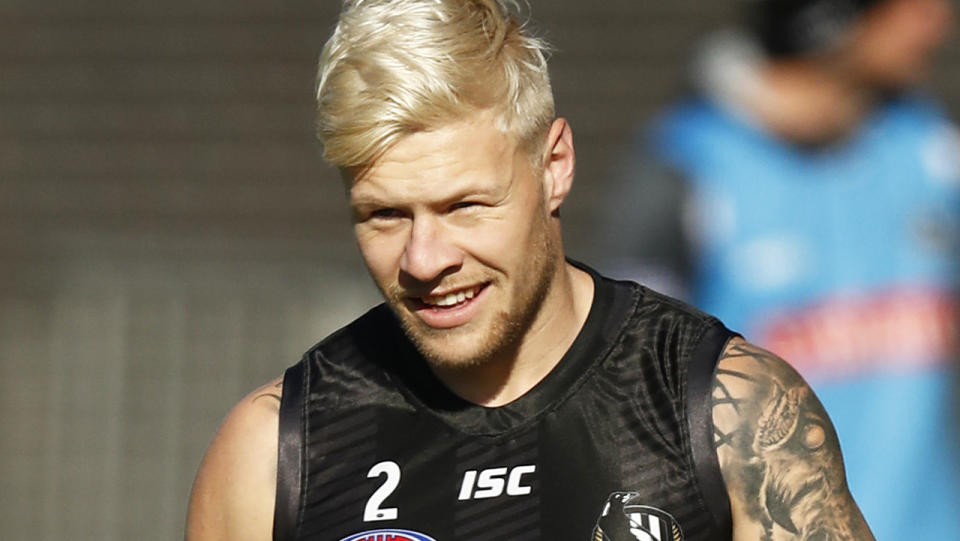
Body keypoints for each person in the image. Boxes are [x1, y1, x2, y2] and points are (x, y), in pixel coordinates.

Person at [185, 1, 873, 540]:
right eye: (385, 216)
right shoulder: (273, 455)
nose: (425, 259)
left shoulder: (731, 416)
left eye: (466, 205)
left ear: (554, 167)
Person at [599, 0, 959, 539]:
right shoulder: (691, 164)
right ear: (830, 18)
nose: (936, 22)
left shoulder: (930, 147)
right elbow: (626, 391)